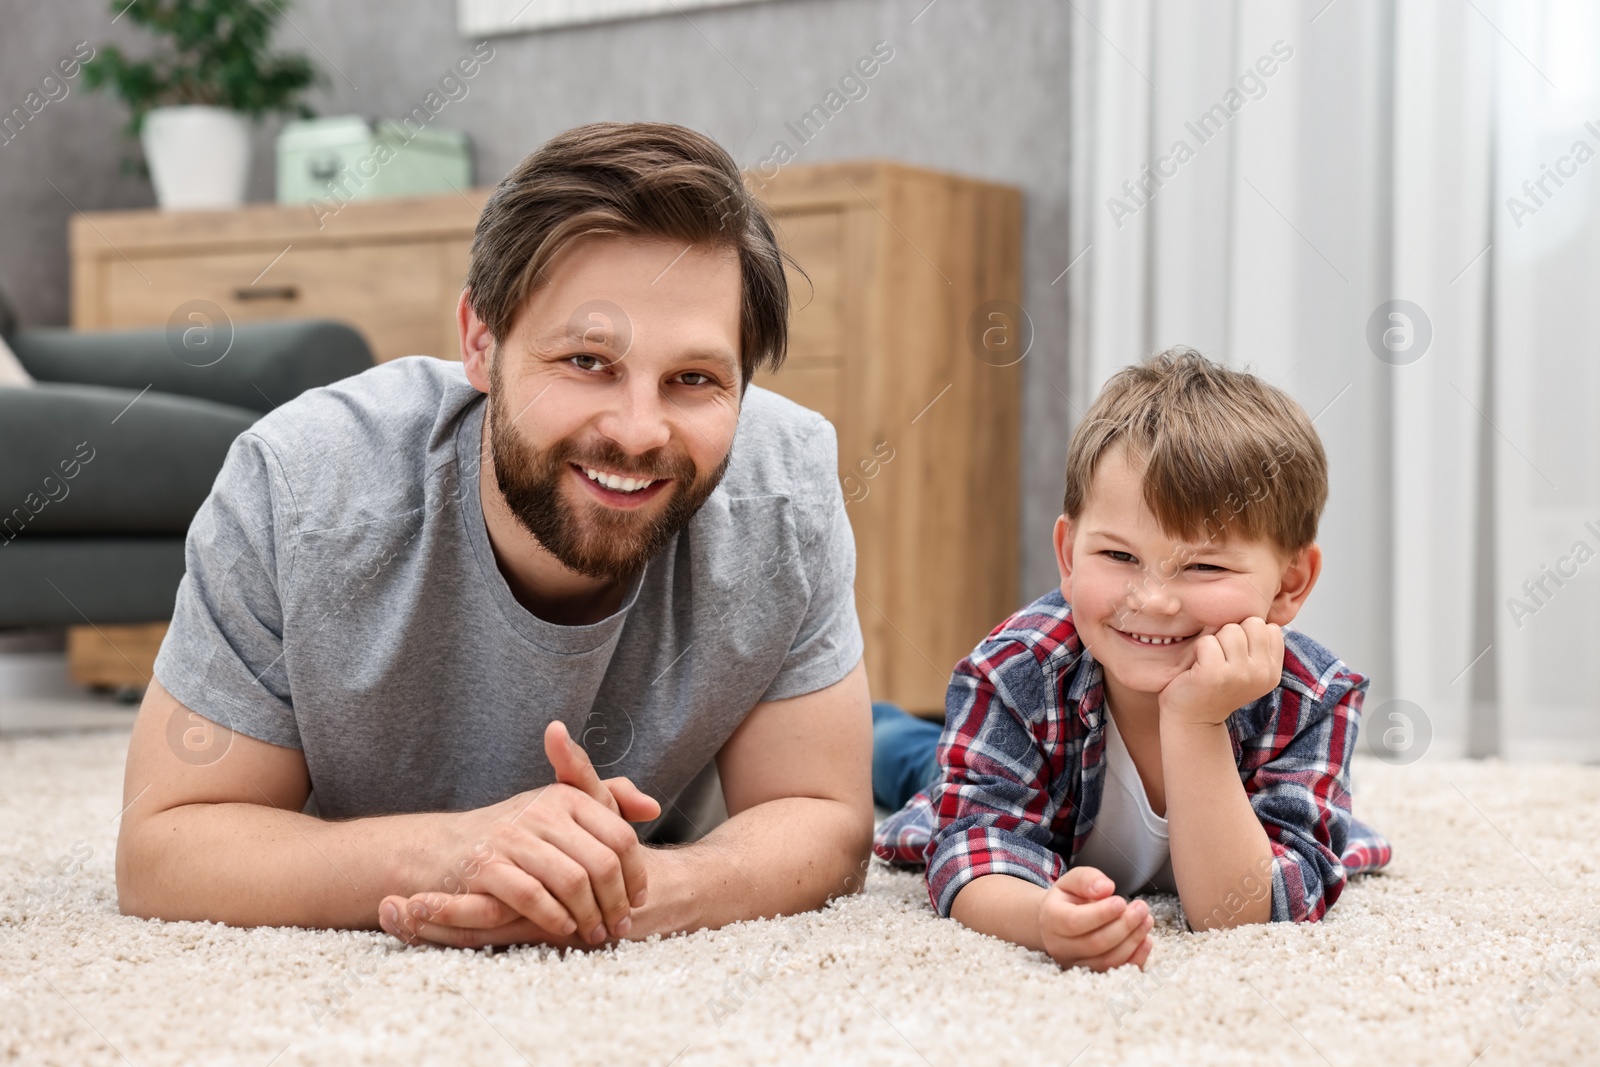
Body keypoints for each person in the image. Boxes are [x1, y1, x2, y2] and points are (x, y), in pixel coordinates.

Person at [114, 121, 874, 950]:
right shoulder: (298, 487)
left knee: (915, 765)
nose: (638, 430)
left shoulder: (786, 484)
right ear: (481, 341)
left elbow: (826, 816)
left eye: (694, 379)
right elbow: (165, 847)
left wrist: (642, 888)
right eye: (587, 361)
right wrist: (452, 850)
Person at [872, 348, 1391, 971]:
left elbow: (1242, 917)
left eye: (1203, 566)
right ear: (1068, 556)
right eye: (1119, 557)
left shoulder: (1311, 698)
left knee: (926, 757)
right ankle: (881, 726)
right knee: (911, 765)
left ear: (1289, 584)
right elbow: (974, 850)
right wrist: (1042, 918)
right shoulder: (1017, 672)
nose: (1153, 600)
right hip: (1007, 766)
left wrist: (1196, 722)